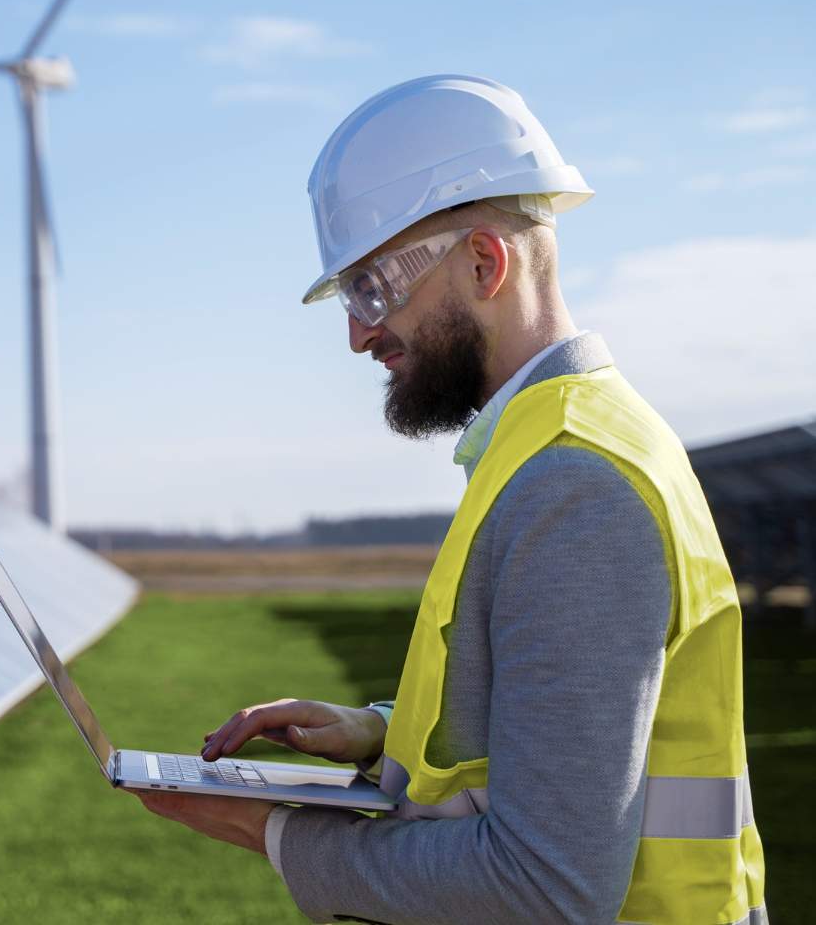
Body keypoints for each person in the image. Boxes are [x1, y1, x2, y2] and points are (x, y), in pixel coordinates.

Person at [132, 75, 767, 924]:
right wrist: (377, 734)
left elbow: (547, 887)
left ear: (482, 261)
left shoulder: (573, 484)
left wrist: (274, 833)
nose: (358, 333)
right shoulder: (562, 442)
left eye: (370, 289)